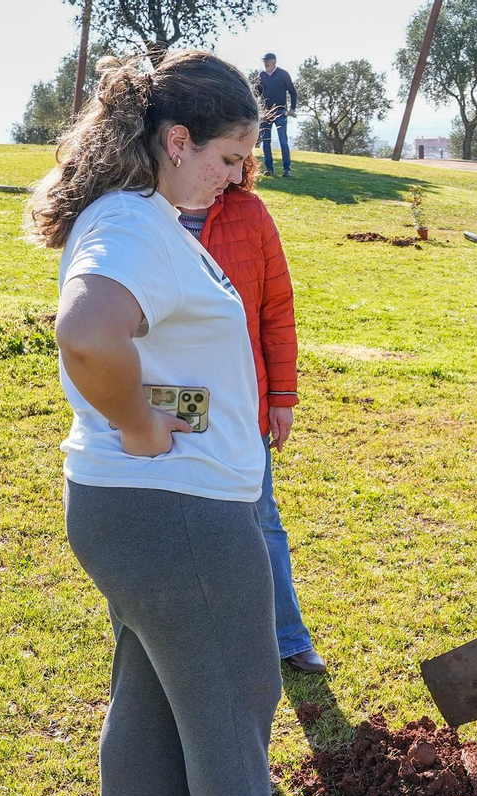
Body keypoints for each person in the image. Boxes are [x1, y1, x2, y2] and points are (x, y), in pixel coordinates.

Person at [27, 50, 363, 796]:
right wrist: (140, 426)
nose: (238, 174)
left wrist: (158, 409)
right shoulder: (136, 227)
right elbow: (90, 336)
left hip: (139, 507)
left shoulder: (141, 219)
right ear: (175, 140)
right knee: (234, 683)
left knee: (150, 683)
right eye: (227, 155)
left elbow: (143, 354)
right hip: (171, 509)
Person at [175, 158, 328, 674]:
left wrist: (282, 394)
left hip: (247, 402)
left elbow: (276, 308)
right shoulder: (145, 213)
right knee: (181, 520)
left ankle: (288, 637)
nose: (235, 167)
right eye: (226, 154)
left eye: (243, 155)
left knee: (261, 519)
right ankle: (198, 644)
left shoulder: (252, 213)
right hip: (178, 402)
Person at [256, 53, 295, 178]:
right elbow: (259, 93)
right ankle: (269, 169)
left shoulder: (283, 74)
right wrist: (257, 85)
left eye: (267, 60)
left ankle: (287, 170)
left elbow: (293, 92)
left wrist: (292, 109)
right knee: (266, 141)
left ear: (273, 61)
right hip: (265, 112)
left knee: (283, 141)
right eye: (264, 61)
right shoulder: (261, 75)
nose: (265, 63)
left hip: (280, 112)